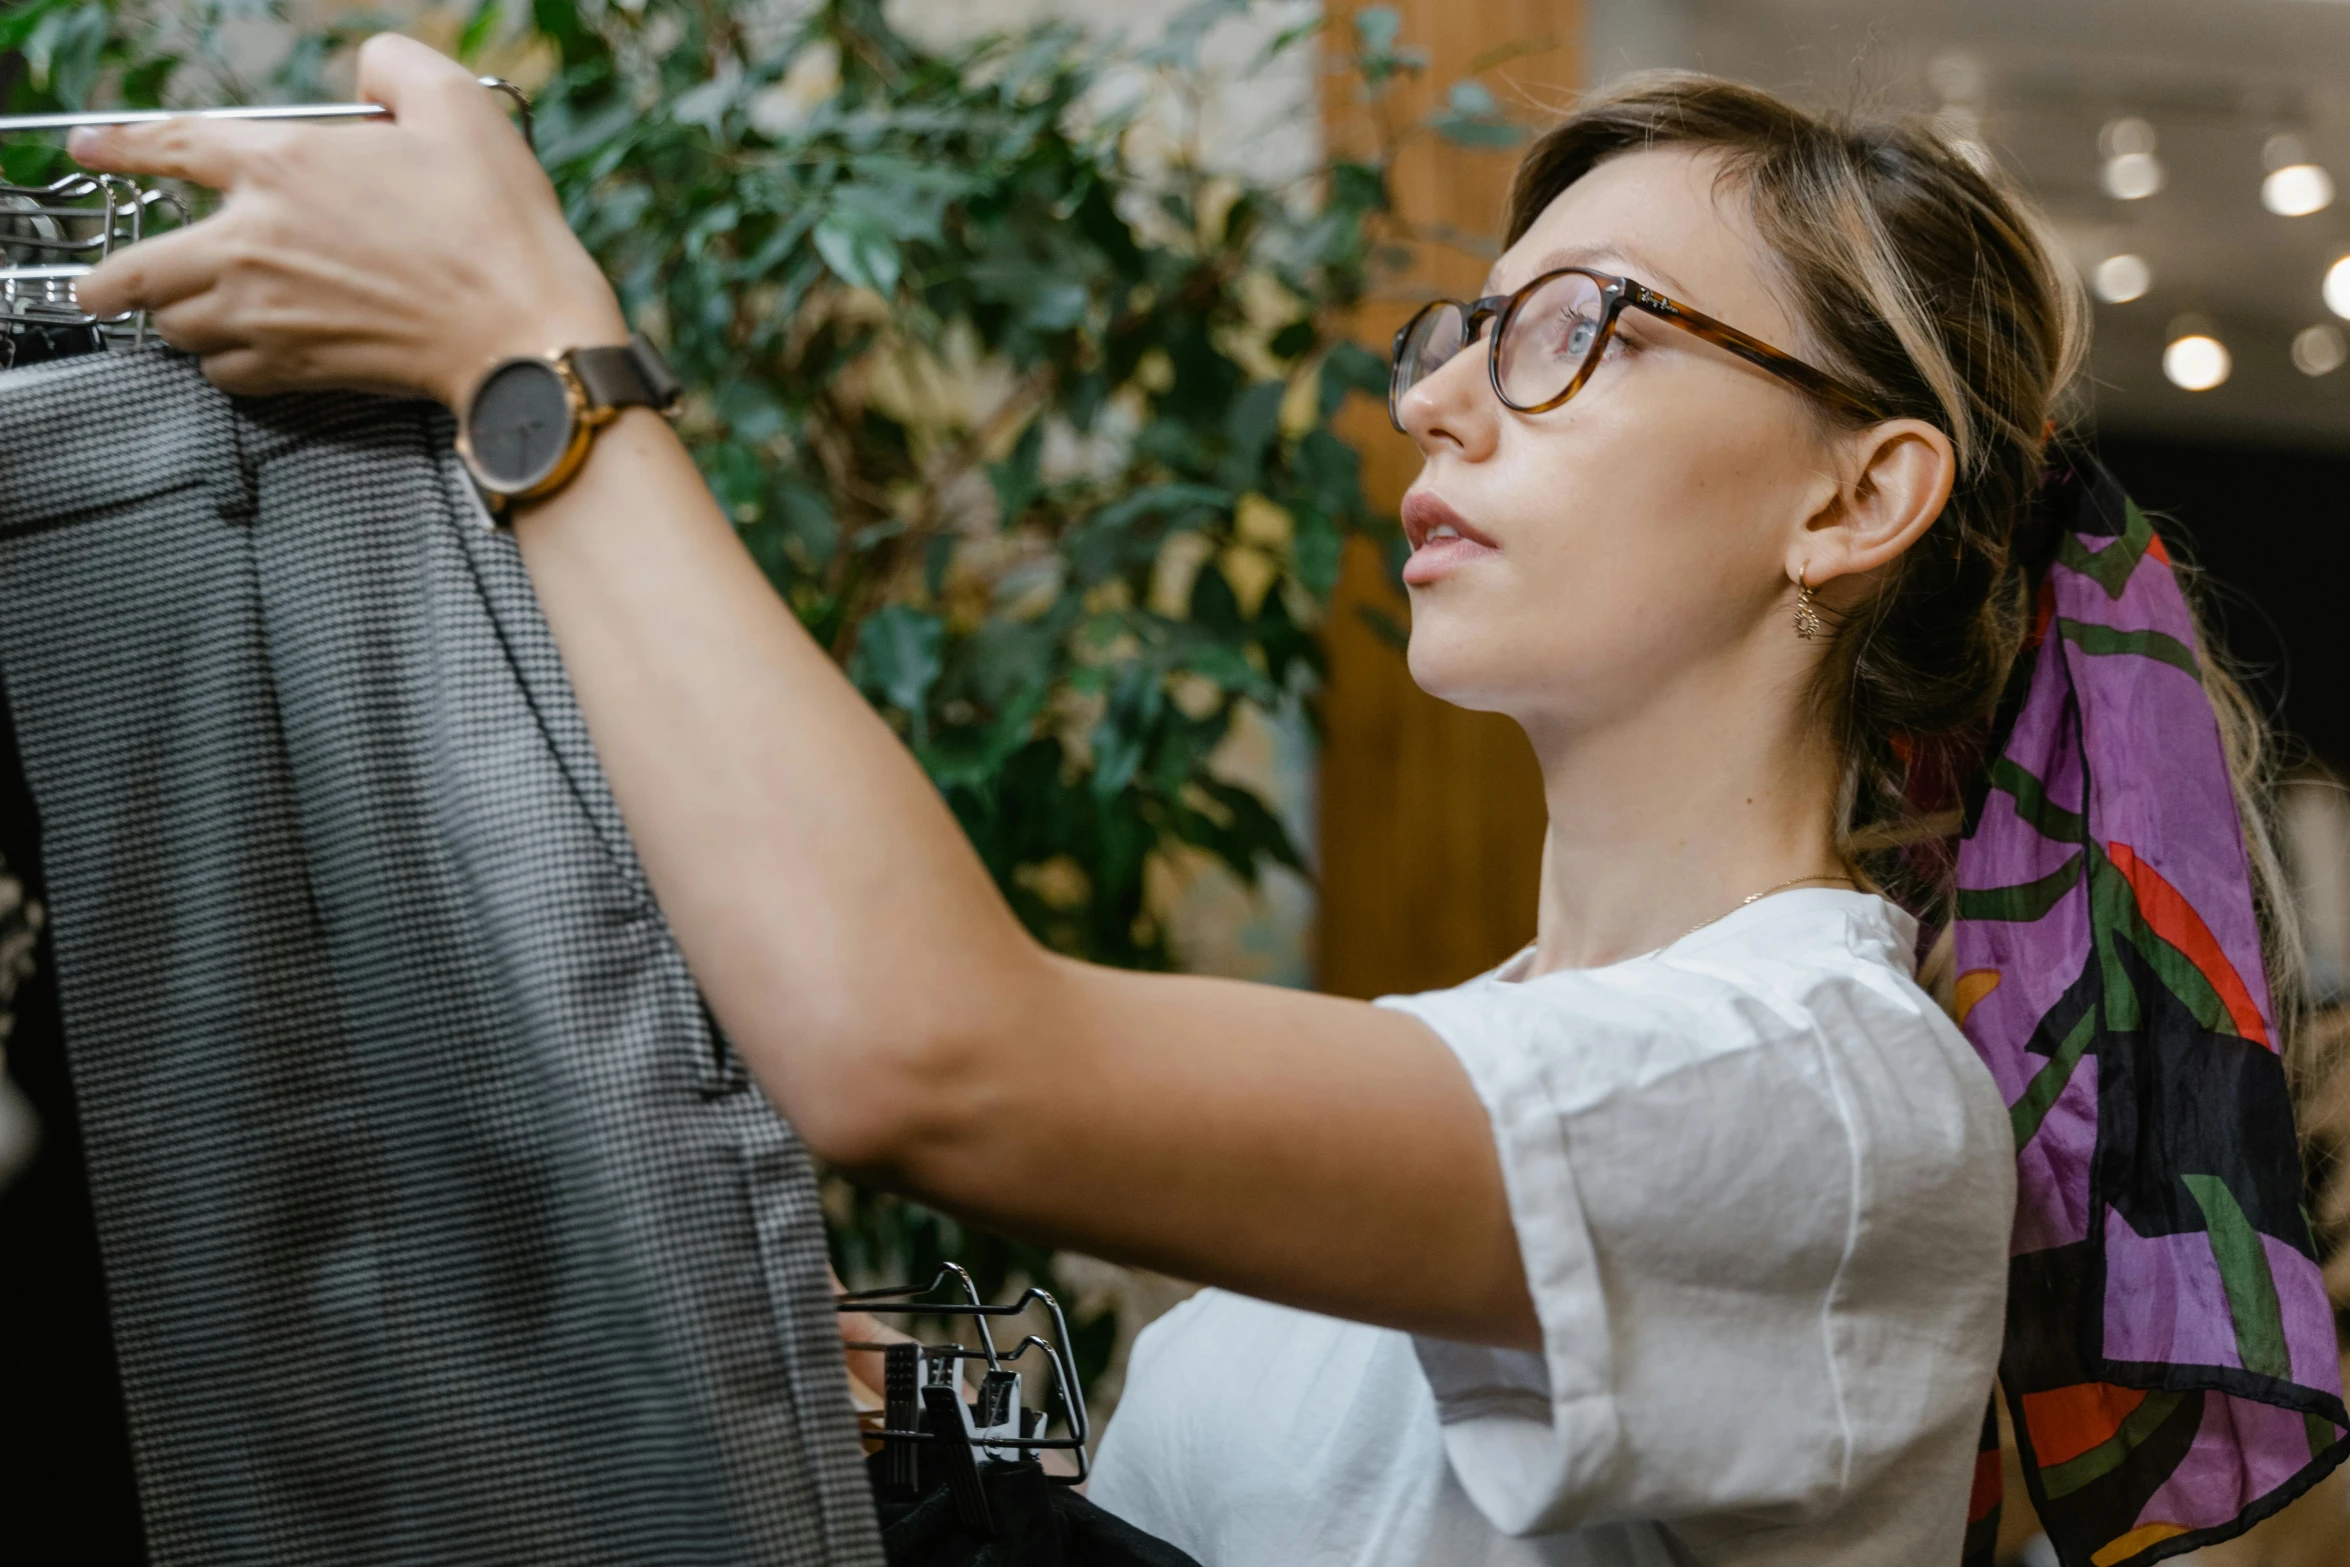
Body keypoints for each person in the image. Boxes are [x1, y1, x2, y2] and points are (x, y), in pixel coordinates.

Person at [66, 35, 2294, 1566]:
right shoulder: (1471, 1073)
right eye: (1458, 330)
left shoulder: (1832, 1098)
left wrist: (526, 342)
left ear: (1853, 493)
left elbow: (925, 1049)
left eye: (1577, 329)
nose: (1437, 404)